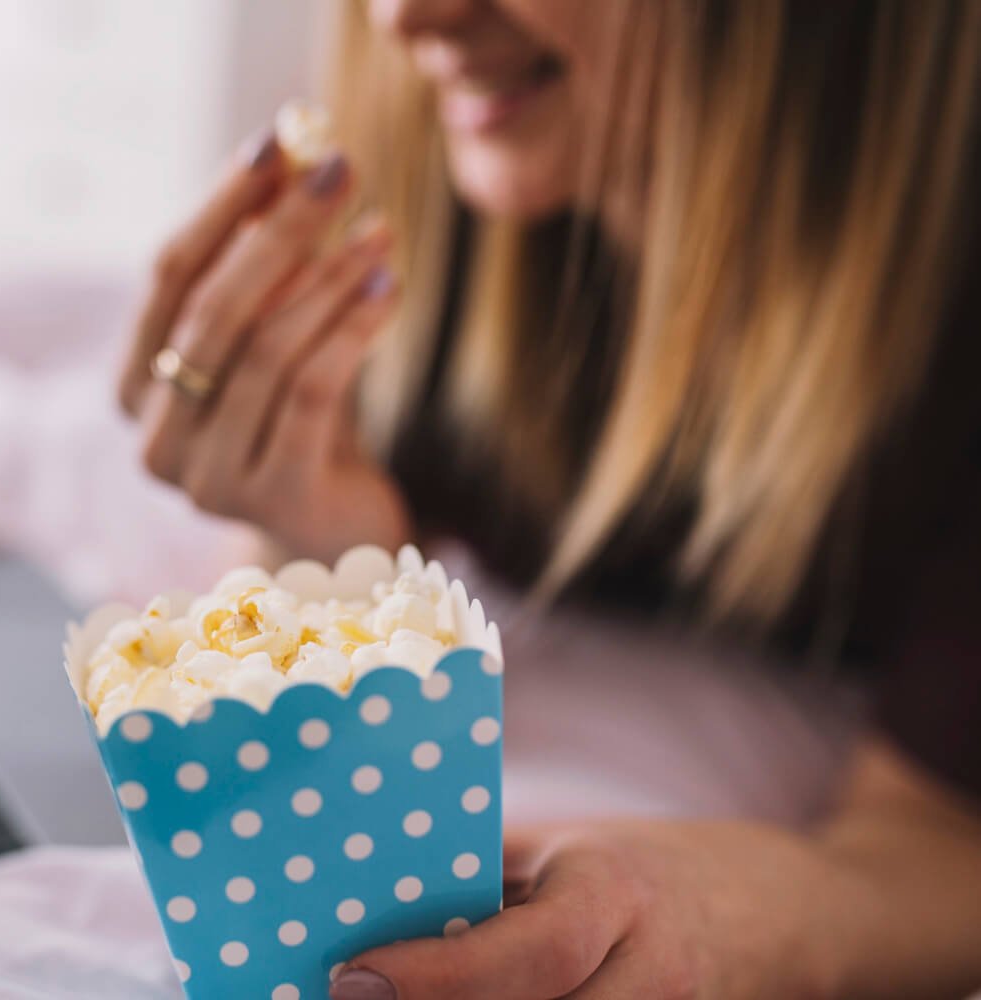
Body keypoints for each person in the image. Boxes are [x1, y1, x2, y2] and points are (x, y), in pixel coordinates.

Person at [118, 1, 981, 997]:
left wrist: (718, 922)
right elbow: (311, 576)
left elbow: (943, 838)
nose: (407, 18)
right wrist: (313, 535)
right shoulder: (438, 209)